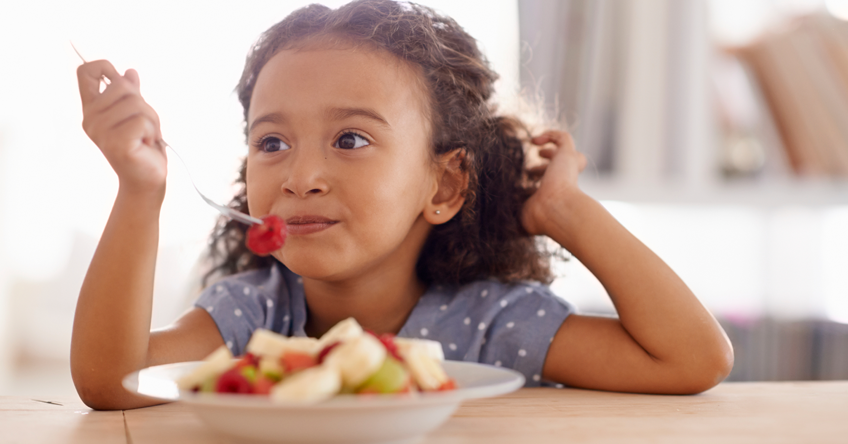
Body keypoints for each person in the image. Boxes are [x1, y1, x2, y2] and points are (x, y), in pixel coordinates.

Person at [71, 0, 733, 410]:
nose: (301, 176)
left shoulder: (489, 322)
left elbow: (692, 360)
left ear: (443, 186)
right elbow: (114, 382)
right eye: (272, 142)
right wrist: (140, 190)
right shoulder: (255, 314)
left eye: (350, 139)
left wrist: (565, 210)